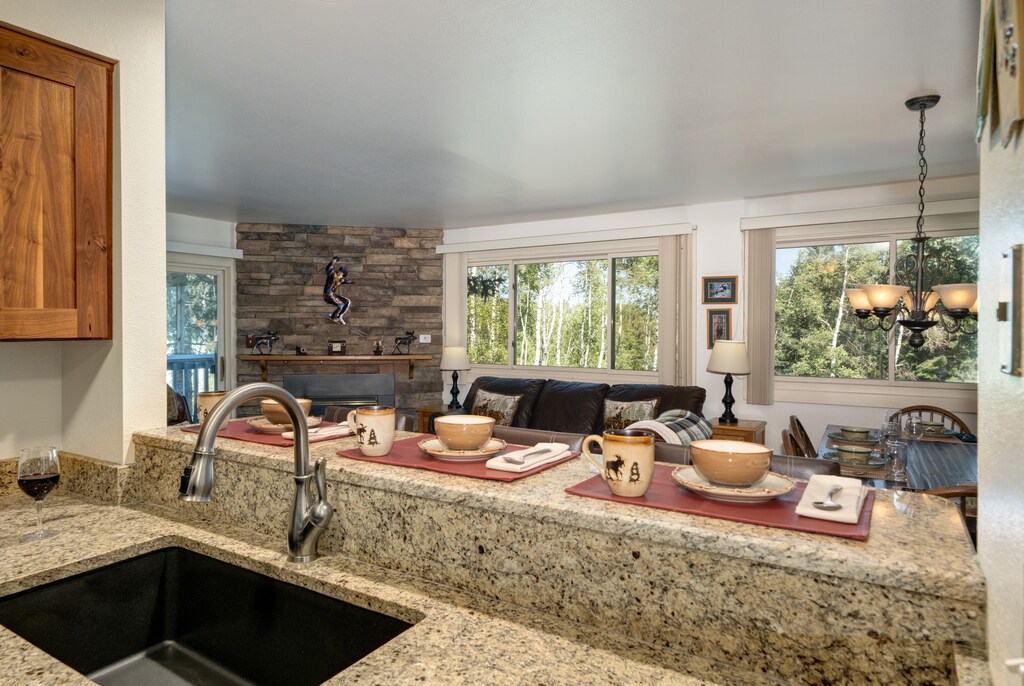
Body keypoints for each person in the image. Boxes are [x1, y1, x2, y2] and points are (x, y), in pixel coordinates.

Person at [323, 256, 354, 324]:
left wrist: (351, 281)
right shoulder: (332, 274)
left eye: (342, 274)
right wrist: (333, 261)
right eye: (340, 272)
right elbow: (328, 269)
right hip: (328, 295)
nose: (340, 274)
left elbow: (349, 281)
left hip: (332, 295)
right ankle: (333, 316)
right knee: (341, 305)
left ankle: (338, 317)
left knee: (347, 301)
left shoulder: (341, 280)